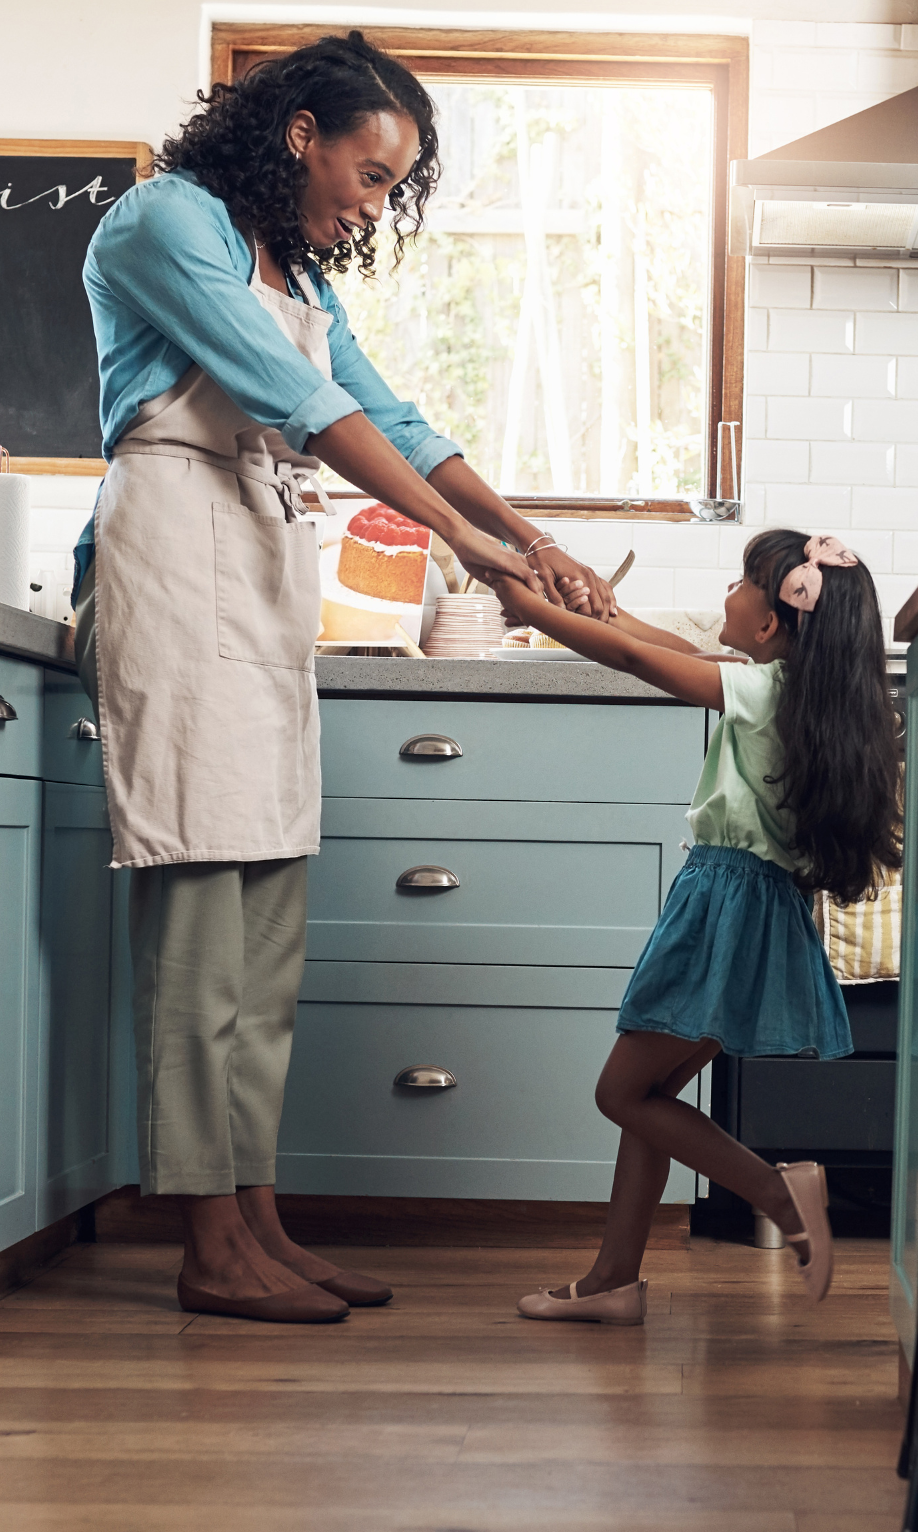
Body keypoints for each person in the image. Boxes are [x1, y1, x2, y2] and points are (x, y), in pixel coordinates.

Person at [74, 32, 608, 1324]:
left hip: (255, 563)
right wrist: (473, 545)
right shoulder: (163, 222)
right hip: (174, 546)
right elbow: (291, 398)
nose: (372, 205)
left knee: (267, 924)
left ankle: (260, 1220)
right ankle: (207, 1242)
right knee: (202, 913)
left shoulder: (296, 269)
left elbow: (396, 415)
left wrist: (533, 534)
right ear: (301, 130)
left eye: (388, 187)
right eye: (369, 175)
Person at [491, 529, 903, 1322]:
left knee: (621, 1092)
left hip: (723, 903)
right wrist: (607, 609)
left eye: (739, 584)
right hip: (752, 904)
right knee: (654, 1095)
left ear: (769, 626)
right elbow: (656, 640)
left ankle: (776, 1192)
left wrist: (529, 609)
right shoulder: (787, 688)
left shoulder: (760, 693)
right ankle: (615, 1280)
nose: (727, 594)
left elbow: (645, 662)